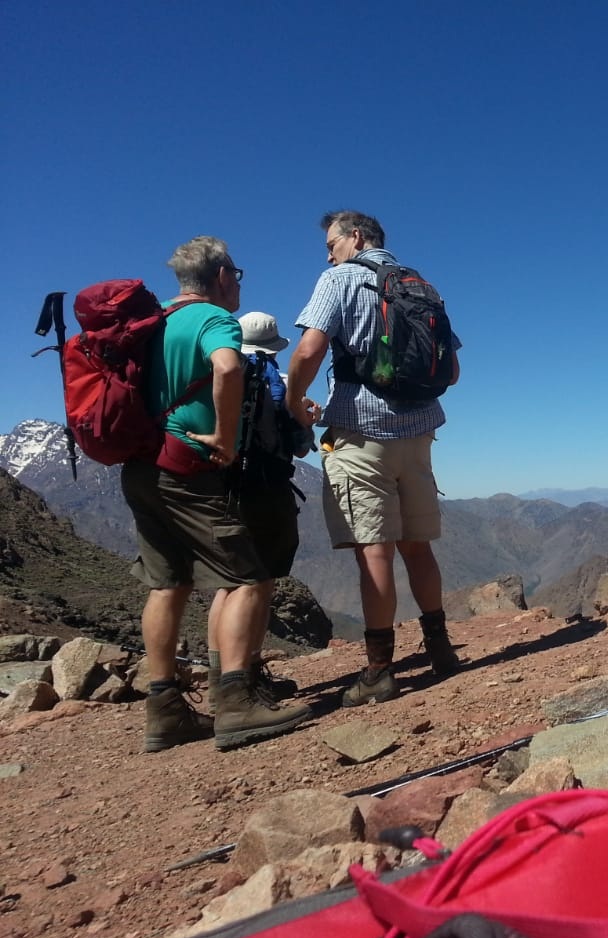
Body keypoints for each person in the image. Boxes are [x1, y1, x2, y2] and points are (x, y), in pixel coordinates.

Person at [121, 237, 311, 752]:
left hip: (140, 464)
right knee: (247, 575)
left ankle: (165, 711)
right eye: (238, 275)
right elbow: (227, 367)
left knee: (167, 584)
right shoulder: (213, 319)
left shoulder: (152, 319)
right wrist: (225, 438)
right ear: (223, 275)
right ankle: (236, 703)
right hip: (186, 466)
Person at [285, 210, 462, 708]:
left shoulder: (339, 279)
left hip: (361, 433)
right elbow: (452, 372)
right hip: (421, 431)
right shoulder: (423, 286)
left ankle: (380, 671)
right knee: (418, 546)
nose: (328, 253)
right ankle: (441, 649)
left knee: (375, 550)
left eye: (332, 243)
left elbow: (308, 350)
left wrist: (294, 402)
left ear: (356, 238)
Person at [206, 312, 315, 705]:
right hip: (267, 489)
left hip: (221, 489)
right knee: (258, 583)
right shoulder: (279, 385)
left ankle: (219, 676)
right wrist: (308, 419)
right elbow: (300, 445)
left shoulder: (219, 375)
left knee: (229, 583)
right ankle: (246, 674)